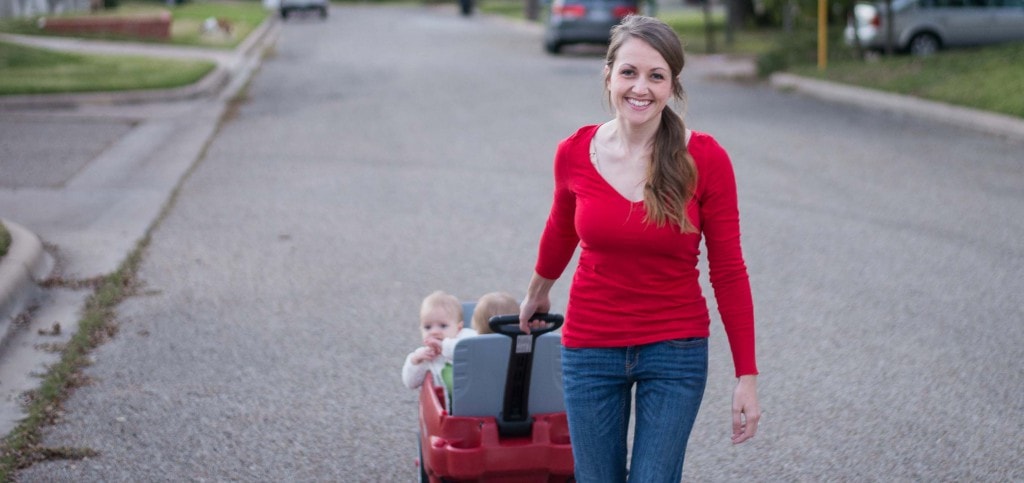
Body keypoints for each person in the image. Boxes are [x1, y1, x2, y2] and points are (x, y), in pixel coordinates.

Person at [517, 15, 760, 482]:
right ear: (608, 75)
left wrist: (746, 375)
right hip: (590, 347)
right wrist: (537, 291)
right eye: (629, 72)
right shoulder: (575, 151)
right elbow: (561, 230)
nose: (641, 88)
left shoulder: (706, 159)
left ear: (672, 85)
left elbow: (729, 271)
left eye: (656, 75)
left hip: (674, 350)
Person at [401, 290, 478, 393]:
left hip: (474, 394)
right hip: (446, 406)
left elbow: (474, 351)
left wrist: (444, 346)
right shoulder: (426, 356)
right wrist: (415, 360)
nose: (434, 332)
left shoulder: (465, 337)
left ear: (458, 327)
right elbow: (410, 383)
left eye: (443, 326)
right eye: (428, 327)